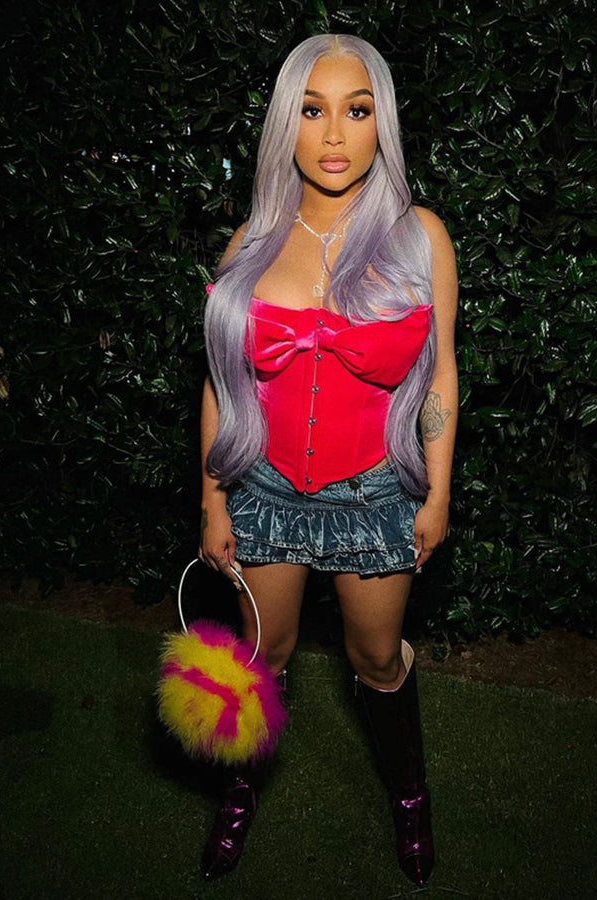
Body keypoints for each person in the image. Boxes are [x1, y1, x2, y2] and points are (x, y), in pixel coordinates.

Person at [199, 33, 458, 888]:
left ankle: (409, 796)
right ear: (288, 124)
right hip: (265, 489)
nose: (336, 134)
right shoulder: (252, 240)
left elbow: (440, 375)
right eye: (313, 110)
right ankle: (238, 794)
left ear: (384, 122)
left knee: (376, 657)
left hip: (376, 493)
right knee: (260, 655)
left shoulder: (419, 238)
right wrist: (213, 500)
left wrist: (436, 494)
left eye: (358, 109)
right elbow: (223, 381)